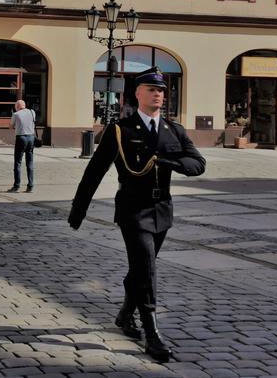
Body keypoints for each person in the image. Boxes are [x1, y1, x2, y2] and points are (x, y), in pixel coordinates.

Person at [68, 67, 206, 362]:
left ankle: (125, 314)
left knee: (142, 268)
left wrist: (170, 162)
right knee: (147, 268)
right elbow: (95, 171)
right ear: (137, 94)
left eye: (162, 91)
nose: (158, 94)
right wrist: (79, 209)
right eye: (152, 90)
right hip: (132, 209)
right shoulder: (120, 130)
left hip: (162, 211)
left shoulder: (174, 130)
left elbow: (198, 163)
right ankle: (152, 333)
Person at [8, 99, 36, 193]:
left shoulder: (16, 114)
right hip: (31, 138)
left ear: (17, 107)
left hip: (21, 138)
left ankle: (16, 186)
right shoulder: (32, 112)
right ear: (24, 105)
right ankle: (30, 185)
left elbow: (10, 126)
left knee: (18, 162)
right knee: (30, 162)